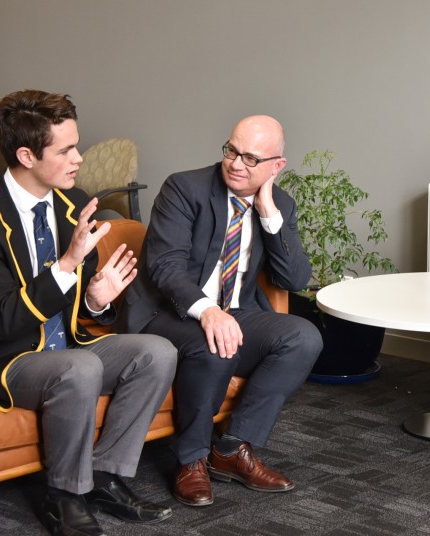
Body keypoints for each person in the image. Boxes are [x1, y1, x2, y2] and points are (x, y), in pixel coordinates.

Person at [0, 90, 178, 536]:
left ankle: (105, 476)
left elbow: (79, 306)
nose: (79, 158)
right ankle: (63, 494)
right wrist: (67, 265)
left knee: (157, 352)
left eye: (77, 145)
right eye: (66, 150)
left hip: (68, 348)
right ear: (26, 155)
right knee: (77, 367)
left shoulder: (73, 204)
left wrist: (97, 298)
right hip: (3, 358)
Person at [118, 115, 322, 507]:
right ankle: (190, 459)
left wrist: (268, 213)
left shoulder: (280, 205)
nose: (236, 164)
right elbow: (165, 267)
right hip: (165, 313)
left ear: (276, 167)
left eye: (250, 158)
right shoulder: (185, 188)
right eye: (231, 150)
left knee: (304, 336)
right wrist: (208, 311)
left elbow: (295, 278)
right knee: (214, 341)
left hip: (234, 309)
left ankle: (230, 449)